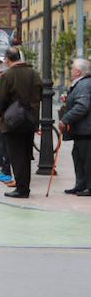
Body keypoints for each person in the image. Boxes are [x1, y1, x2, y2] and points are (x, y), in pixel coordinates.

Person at [0, 47, 41, 199]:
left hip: (13, 121)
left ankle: (22, 189)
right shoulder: (34, 73)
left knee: (17, 156)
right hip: (30, 119)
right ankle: (25, 186)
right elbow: (40, 93)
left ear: (7, 59)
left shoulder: (8, 75)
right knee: (26, 155)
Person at [60, 59, 91, 196]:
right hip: (81, 130)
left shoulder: (84, 84)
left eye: (72, 68)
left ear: (78, 71)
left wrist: (65, 119)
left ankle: (88, 187)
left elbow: (82, 106)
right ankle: (81, 184)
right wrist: (68, 99)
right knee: (78, 156)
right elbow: (78, 101)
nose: (71, 70)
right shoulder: (81, 84)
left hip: (86, 130)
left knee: (87, 159)